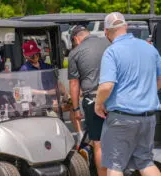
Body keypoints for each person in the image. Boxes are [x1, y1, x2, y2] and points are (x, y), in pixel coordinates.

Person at [95, 12, 161, 176]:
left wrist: (98, 104)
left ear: (106, 32)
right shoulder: (149, 48)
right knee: (145, 161)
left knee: (115, 165)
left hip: (122, 118)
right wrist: (147, 91)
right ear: (125, 26)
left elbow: (106, 86)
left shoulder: (112, 52)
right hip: (148, 117)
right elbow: (159, 79)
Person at [68, 25, 109, 176]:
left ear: (75, 39)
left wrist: (75, 108)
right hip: (116, 99)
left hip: (93, 100)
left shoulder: (75, 52)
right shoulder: (108, 42)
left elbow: (74, 83)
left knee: (98, 143)